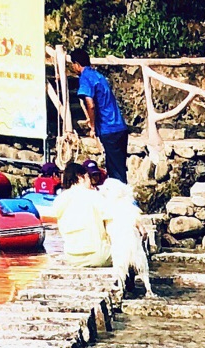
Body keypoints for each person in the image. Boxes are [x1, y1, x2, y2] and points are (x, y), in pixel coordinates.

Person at [70, 48, 131, 184]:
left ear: (77, 64)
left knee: (116, 173)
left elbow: (90, 104)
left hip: (108, 128)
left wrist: (92, 126)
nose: (73, 68)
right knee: (119, 166)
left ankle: (120, 199)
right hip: (120, 127)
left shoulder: (85, 78)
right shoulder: (99, 76)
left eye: (73, 65)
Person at [99, 170, 153, 296]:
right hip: (134, 245)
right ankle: (148, 289)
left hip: (119, 246)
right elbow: (142, 231)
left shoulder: (108, 210)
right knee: (141, 265)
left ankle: (122, 290)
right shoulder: (130, 208)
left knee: (120, 267)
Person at [54, 162, 110, 267]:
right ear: (80, 178)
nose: (91, 182)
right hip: (99, 256)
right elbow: (113, 221)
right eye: (88, 177)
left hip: (72, 258)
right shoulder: (93, 195)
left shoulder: (59, 200)